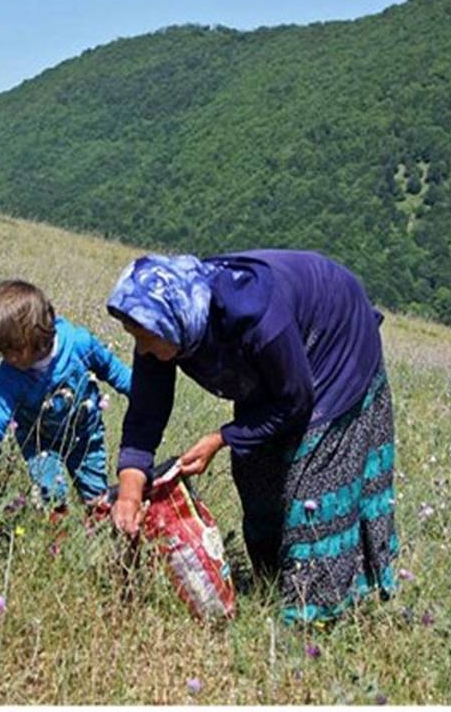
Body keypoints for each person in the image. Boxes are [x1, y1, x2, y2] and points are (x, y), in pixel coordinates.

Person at [105, 251, 398, 624]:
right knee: (256, 471)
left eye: (145, 339)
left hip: (336, 341)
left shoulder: (255, 319)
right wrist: (130, 489)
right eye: (136, 338)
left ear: (176, 322)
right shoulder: (162, 319)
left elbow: (295, 401)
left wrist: (222, 437)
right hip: (281, 363)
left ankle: (315, 620)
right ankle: (271, 586)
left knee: (312, 487)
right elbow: (146, 411)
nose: (142, 349)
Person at [0, 280, 132, 515]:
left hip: (84, 436)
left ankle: (97, 533)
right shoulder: (9, 376)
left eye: (11, 349)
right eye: (1, 350)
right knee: (52, 496)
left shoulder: (78, 344)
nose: (6, 357)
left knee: (97, 498)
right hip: (38, 442)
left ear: (36, 336)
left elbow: (114, 371)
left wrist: (143, 396)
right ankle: (57, 541)